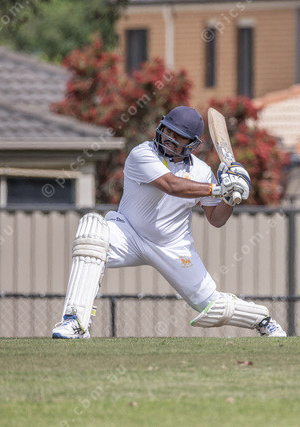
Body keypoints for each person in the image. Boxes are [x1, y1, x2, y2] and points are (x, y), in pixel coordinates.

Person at [52, 106, 286, 338]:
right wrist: (219, 189)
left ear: (192, 144)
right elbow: (171, 185)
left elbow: (216, 219)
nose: (169, 138)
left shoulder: (202, 172)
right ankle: (74, 322)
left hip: (174, 246)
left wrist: (230, 197)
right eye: (168, 130)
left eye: (178, 136)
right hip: (129, 233)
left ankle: (262, 320)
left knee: (210, 304)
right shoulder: (142, 154)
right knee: (92, 230)